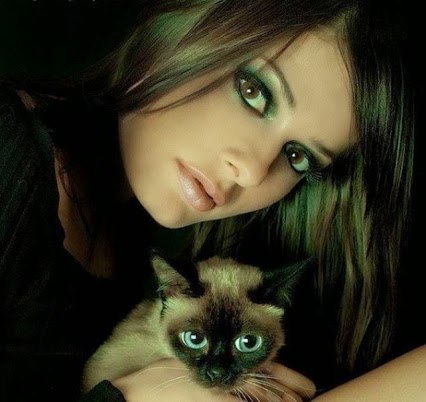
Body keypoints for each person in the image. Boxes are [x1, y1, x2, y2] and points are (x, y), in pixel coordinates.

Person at [0, 0, 424, 401]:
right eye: (253, 91)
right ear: (186, 22)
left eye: (297, 157)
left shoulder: (125, 238)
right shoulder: (8, 151)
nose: (253, 171)